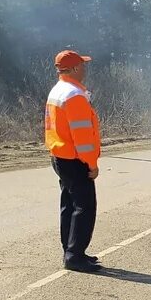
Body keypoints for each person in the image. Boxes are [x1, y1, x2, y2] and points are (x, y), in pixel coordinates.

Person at [44, 50, 102, 272]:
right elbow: (82, 136)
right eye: (83, 65)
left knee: (68, 205)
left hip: (59, 155)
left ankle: (71, 250)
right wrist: (91, 164)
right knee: (84, 207)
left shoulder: (58, 90)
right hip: (75, 159)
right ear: (75, 68)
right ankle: (75, 256)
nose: (85, 69)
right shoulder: (74, 95)